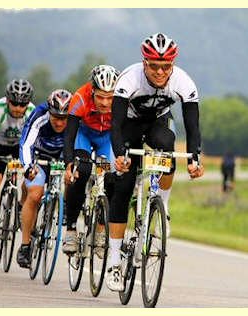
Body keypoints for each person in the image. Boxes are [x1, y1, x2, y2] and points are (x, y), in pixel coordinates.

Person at [107, 33, 205, 291]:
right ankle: (114, 262)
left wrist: (195, 159)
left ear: (173, 64)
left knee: (167, 144)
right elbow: (114, 124)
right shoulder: (129, 79)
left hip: (157, 122)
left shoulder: (184, 81)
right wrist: (119, 155)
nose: (160, 72)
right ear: (144, 63)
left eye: (166, 66)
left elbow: (193, 127)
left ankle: (163, 207)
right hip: (128, 124)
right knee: (124, 186)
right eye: (154, 66)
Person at [62, 64, 120, 254]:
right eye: (101, 97)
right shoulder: (80, 98)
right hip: (84, 136)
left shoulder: (122, 99)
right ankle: (70, 229)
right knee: (83, 172)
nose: (105, 103)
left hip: (107, 139)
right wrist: (69, 164)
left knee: (113, 176)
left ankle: (101, 230)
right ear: (92, 90)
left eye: (110, 97)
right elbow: (69, 135)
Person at [16, 89, 72, 268]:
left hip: (62, 158)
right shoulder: (39, 114)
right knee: (35, 194)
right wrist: (27, 167)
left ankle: (65, 207)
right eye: (56, 116)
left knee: (73, 178)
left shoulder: (74, 120)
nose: (59, 122)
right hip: (39, 158)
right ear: (49, 111)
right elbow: (26, 143)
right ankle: (25, 245)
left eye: (64, 118)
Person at [0, 79, 35, 249]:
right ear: (7, 100)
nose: (18, 108)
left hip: (20, 148)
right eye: (14, 103)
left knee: (30, 181)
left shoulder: (32, 112)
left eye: (22, 104)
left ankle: (21, 207)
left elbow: (34, 141)